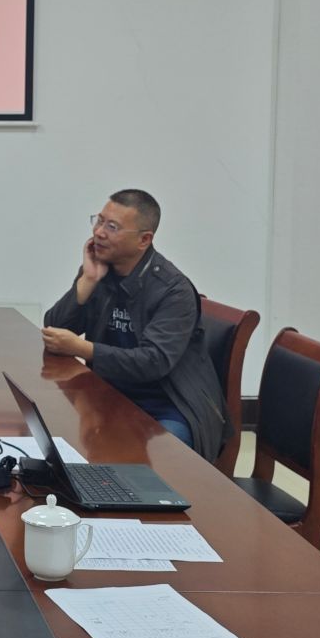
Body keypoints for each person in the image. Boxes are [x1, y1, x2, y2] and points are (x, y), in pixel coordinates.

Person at [41, 188, 225, 462]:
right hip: (112, 393)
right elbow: (55, 330)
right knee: (55, 438)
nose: (99, 232)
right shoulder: (101, 270)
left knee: (153, 464)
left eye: (112, 227)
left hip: (169, 404)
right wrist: (88, 280)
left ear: (144, 239)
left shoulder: (173, 291)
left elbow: (153, 362)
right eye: (99, 221)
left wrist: (83, 348)